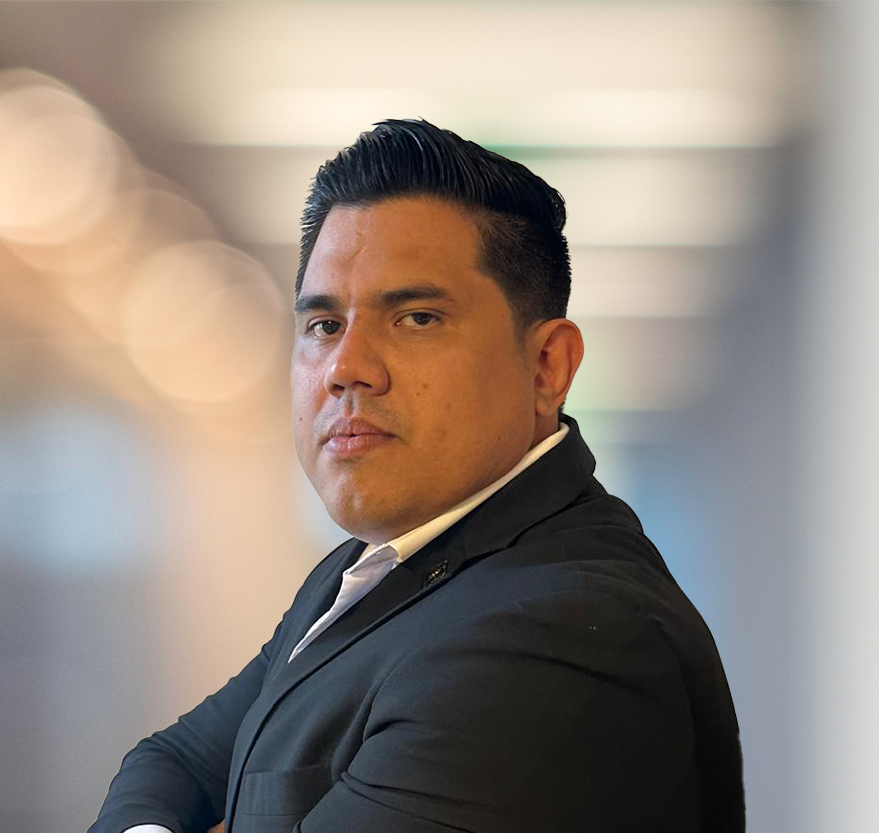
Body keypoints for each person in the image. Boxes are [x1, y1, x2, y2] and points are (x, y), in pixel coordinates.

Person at [90, 119, 745, 833]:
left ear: (546, 367)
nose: (346, 368)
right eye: (323, 325)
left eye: (417, 318)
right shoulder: (372, 570)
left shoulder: (564, 630)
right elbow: (174, 762)